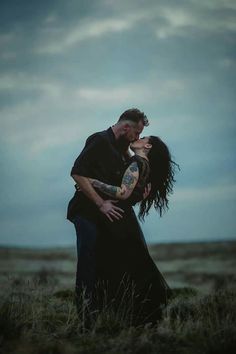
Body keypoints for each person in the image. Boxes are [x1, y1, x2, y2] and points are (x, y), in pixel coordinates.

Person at [76, 135, 179, 324]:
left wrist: (92, 182)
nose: (138, 138)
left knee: (120, 269)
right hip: (124, 221)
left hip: (119, 221)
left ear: (147, 146)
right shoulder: (143, 164)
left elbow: (123, 192)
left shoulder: (137, 163)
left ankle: (120, 317)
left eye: (143, 138)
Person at [67, 108, 149, 312]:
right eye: (136, 133)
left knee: (106, 262)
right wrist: (100, 203)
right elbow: (77, 173)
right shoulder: (99, 140)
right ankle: (85, 316)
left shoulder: (121, 148)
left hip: (104, 215)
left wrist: (140, 192)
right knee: (88, 262)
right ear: (126, 127)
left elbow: (121, 185)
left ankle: (104, 311)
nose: (137, 137)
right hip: (87, 211)